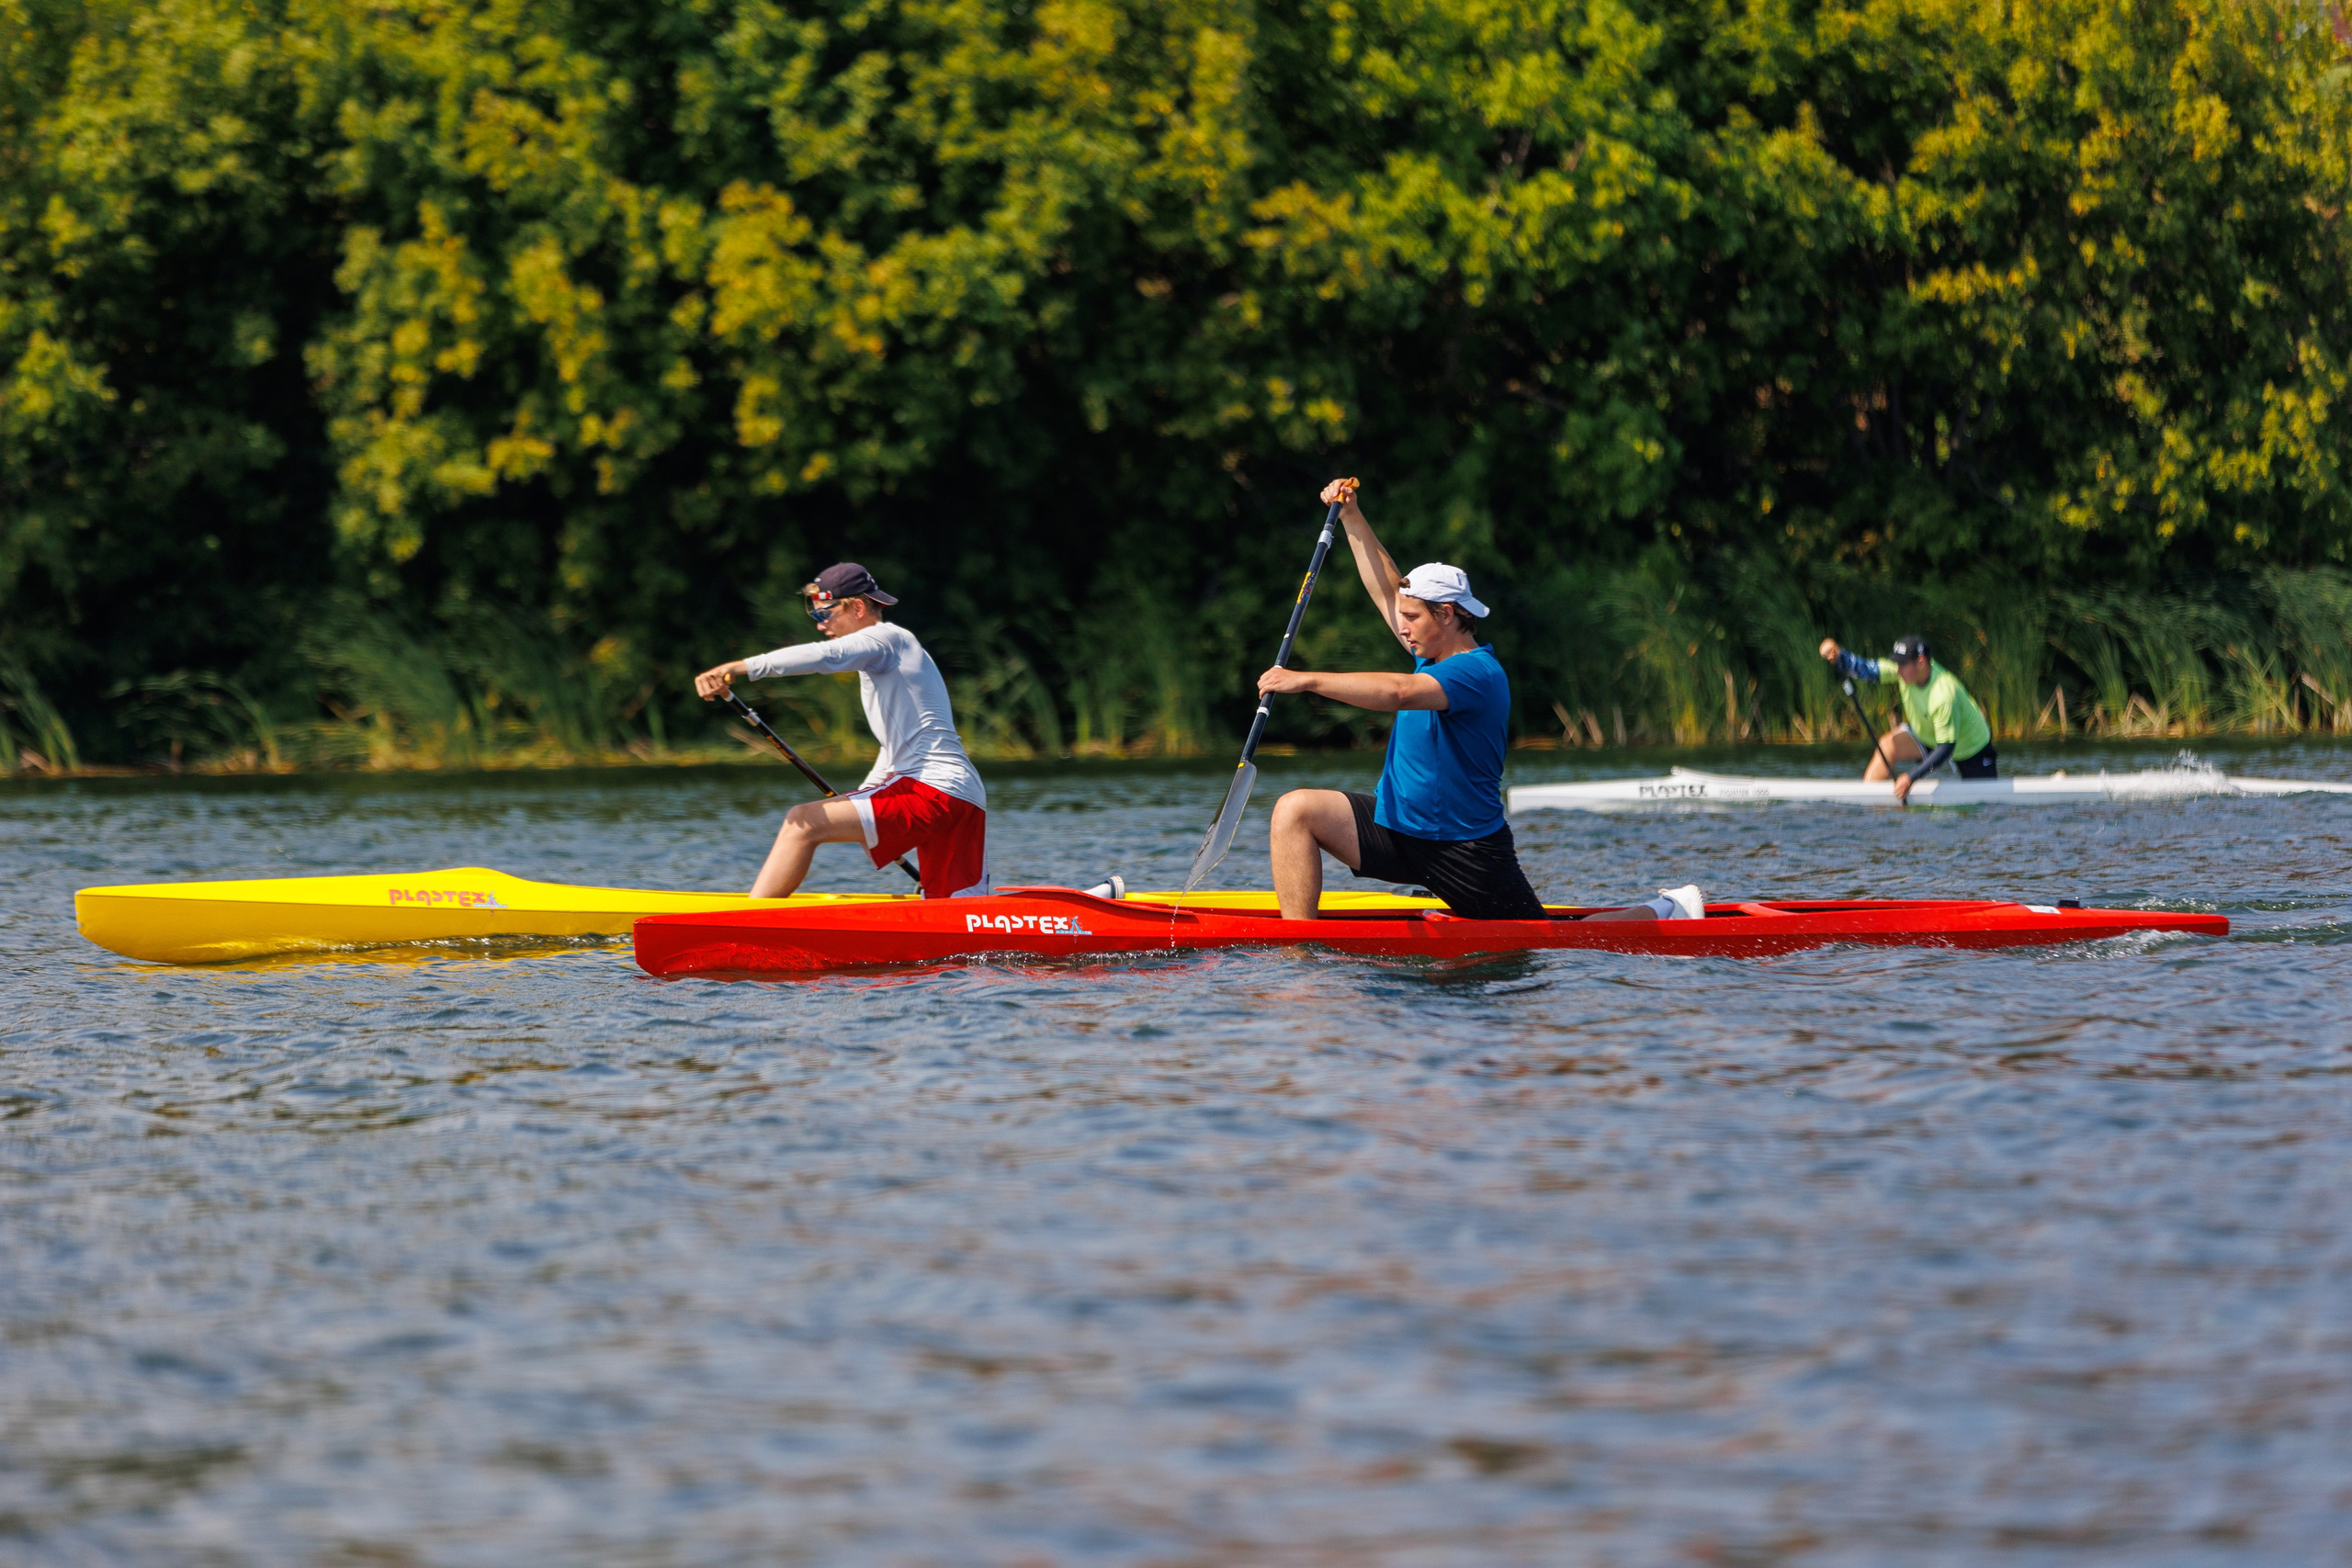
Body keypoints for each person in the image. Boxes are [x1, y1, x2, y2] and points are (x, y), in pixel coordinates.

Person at [1258, 478, 1705, 923]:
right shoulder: (1429, 652)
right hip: (1397, 827)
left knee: (1549, 938)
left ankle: (1670, 909)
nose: (1403, 626)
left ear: (1447, 615)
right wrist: (1352, 516)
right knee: (1296, 810)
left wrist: (1306, 680)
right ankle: (1301, 948)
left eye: (1412, 618)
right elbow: (1385, 586)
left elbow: (1398, 693)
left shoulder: (1477, 673)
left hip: (1462, 848)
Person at [695, 563, 989, 899]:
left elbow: (827, 656)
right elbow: (895, 747)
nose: (821, 626)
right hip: (962, 794)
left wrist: (738, 668)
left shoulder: (888, 638)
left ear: (858, 607)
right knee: (956, 913)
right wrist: (862, 800)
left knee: (801, 823)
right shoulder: (896, 658)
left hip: (933, 791)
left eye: (825, 615)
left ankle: (745, 922)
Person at [1818, 634, 1996, 804]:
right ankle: (1870, 809)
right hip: (1928, 734)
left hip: (1971, 748)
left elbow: (1946, 748)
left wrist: (1910, 778)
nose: (1897, 670)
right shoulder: (1904, 671)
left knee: (1982, 811)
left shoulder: (1943, 694)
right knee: (1887, 746)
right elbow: (1866, 670)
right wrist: (1839, 654)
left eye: (1902, 665)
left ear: (1921, 663)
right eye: (1896, 664)